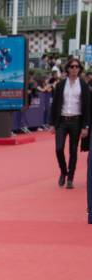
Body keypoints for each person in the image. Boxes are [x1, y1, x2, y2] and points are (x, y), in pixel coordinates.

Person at [49, 57, 90, 189]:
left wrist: (85, 126)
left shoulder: (83, 86)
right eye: (72, 66)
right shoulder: (61, 85)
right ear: (67, 68)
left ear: (79, 69)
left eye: (77, 66)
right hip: (62, 121)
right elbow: (55, 105)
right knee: (59, 149)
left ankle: (70, 178)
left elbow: (88, 107)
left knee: (73, 150)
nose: (74, 69)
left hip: (76, 121)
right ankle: (63, 171)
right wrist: (52, 123)